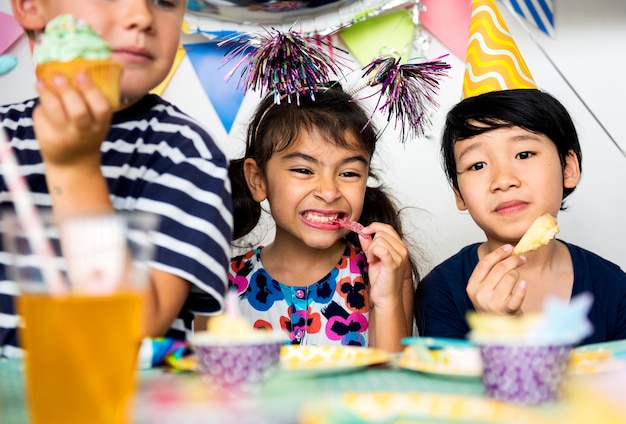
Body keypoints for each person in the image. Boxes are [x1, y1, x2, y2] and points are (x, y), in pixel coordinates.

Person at [0, 0, 232, 357]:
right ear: (31, 7)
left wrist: (75, 168)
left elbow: (133, 328)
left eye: (165, 1)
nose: (141, 17)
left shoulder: (186, 152)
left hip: (120, 403)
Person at [416, 89, 626, 344]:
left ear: (568, 168)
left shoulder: (613, 286)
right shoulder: (442, 289)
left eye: (524, 154)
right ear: (459, 194)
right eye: (477, 165)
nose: (503, 181)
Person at [228, 83, 418, 352]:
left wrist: (386, 300)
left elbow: (392, 383)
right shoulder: (222, 281)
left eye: (349, 173)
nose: (329, 192)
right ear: (258, 180)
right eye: (304, 170)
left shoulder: (384, 272)